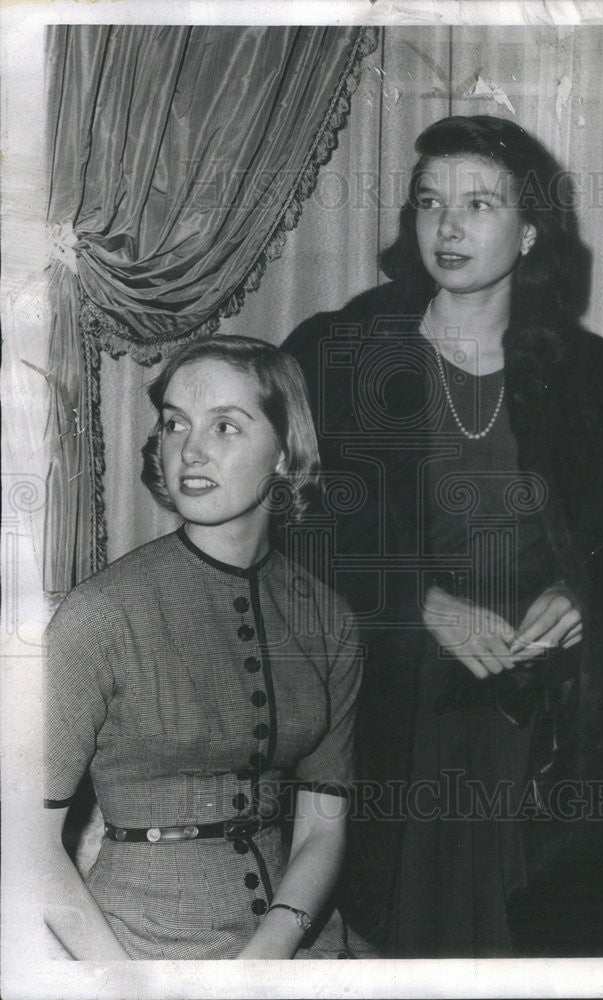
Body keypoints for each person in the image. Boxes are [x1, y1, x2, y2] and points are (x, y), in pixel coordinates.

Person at [284, 115, 603, 958]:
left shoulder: (599, 381)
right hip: (396, 711)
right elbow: (288, 525)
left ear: (529, 231)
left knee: (543, 948)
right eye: (429, 203)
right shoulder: (337, 355)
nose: (447, 227)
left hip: (553, 721)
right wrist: (418, 603)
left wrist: (581, 592)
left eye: (478, 204)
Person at [41, 336, 362, 960]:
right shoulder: (98, 617)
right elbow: (22, 845)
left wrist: (267, 957)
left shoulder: (329, 620)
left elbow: (322, 828)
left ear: (284, 449)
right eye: (175, 424)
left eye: (226, 426)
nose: (190, 449)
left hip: (297, 940)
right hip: (136, 949)